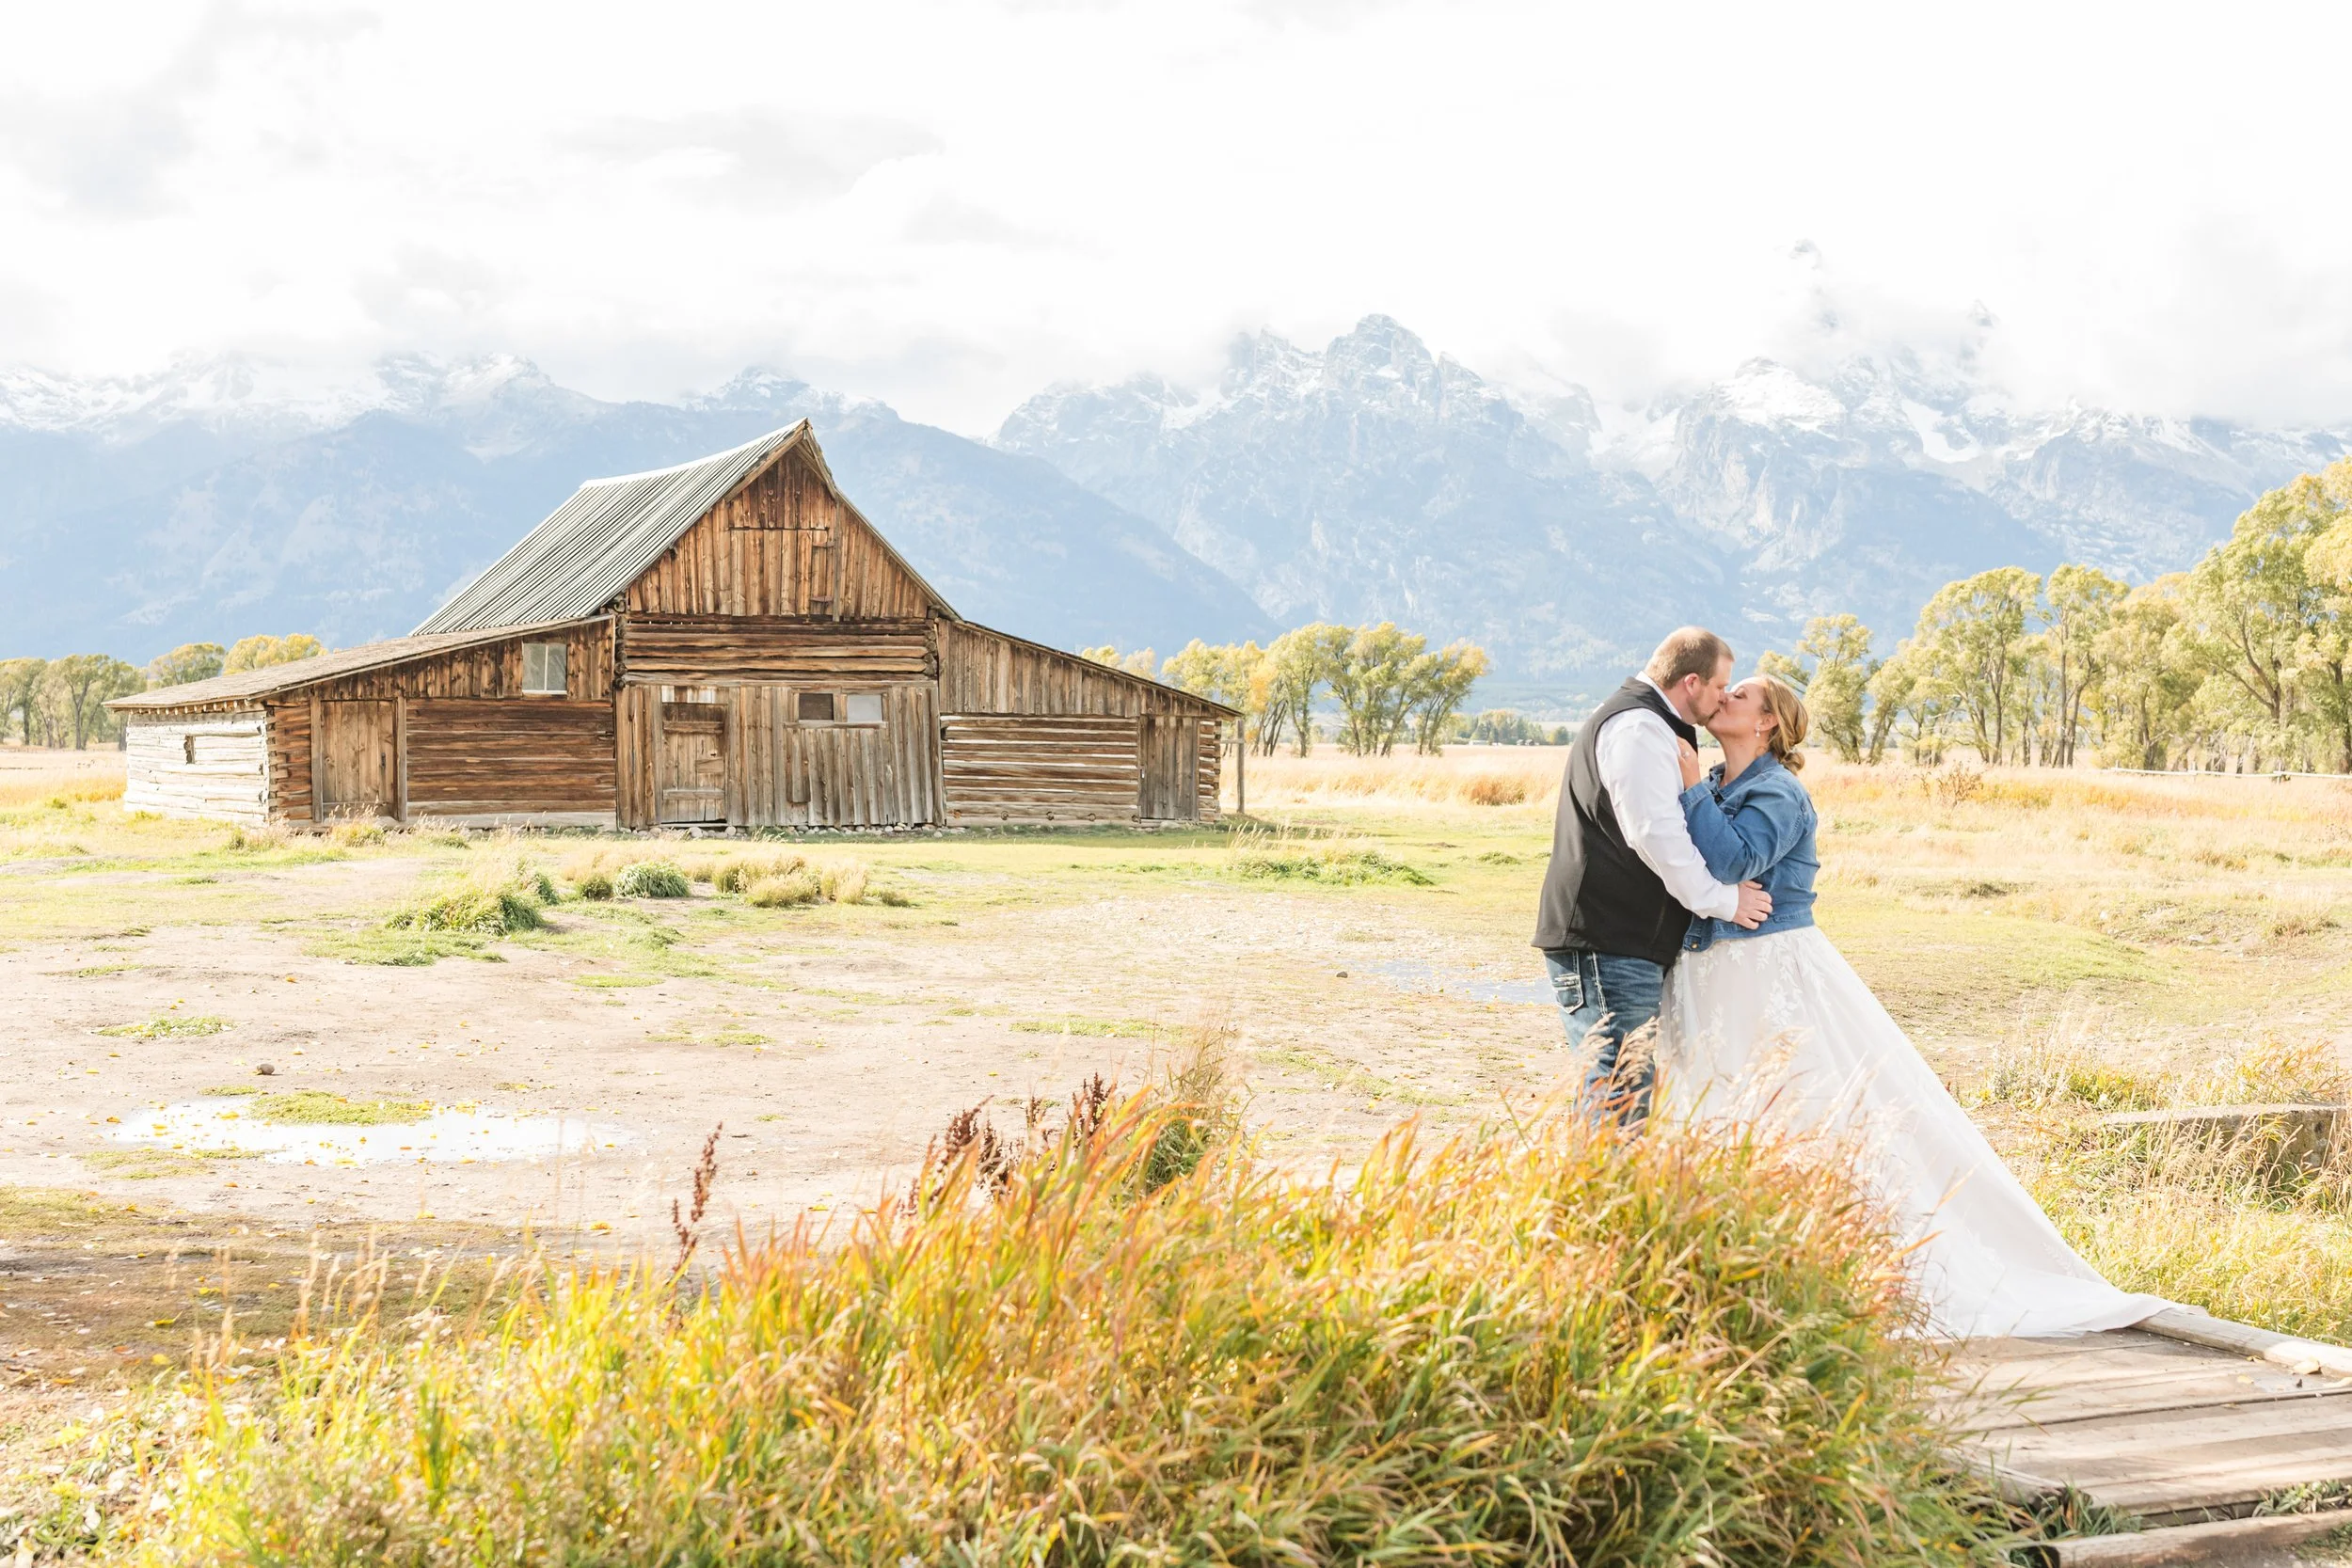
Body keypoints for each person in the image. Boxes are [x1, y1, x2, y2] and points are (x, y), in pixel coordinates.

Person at [1660, 672, 2166, 1338]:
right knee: (1729, 1105)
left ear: (1767, 724)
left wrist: (1692, 786)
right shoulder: (1722, 782)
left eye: (1741, 694)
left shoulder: (1777, 791)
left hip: (1769, 971)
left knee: (1804, 1101)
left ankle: (1853, 1260)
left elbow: (1733, 862)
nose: (1724, 697)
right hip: (1717, 970)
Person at [1533, 627, 1772, 1127]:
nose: (1723, 697)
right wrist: (1723, 901)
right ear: (1691, 683)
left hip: (1622, 942)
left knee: (1624, 1092)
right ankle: (1599, 1202)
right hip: (1606, 941)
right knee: (1617, 1097)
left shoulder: (1656, 727)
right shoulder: (1639, 728)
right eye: (1720, 686)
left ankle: (1602, 1201)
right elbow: (1655, 836)